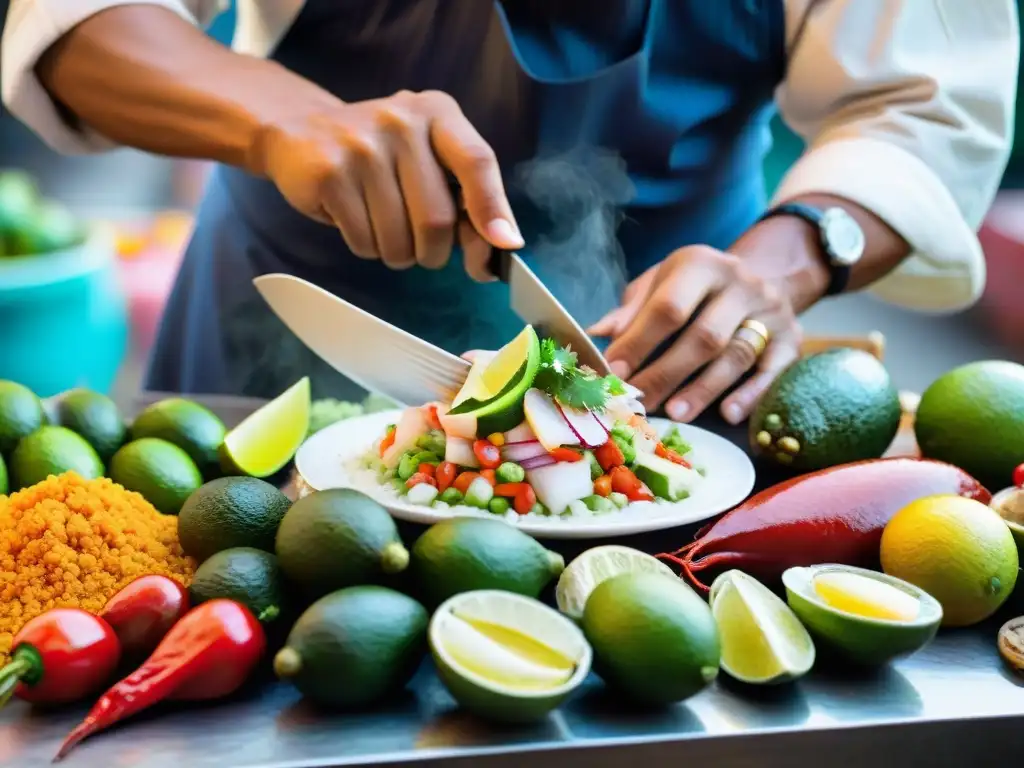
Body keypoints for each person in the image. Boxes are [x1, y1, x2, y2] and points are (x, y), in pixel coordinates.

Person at [1, 1, 1017, 425]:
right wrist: (285, 122)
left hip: (661, 370)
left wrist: (789, 260)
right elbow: (74, 23)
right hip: (289, 325)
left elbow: (923, 99)